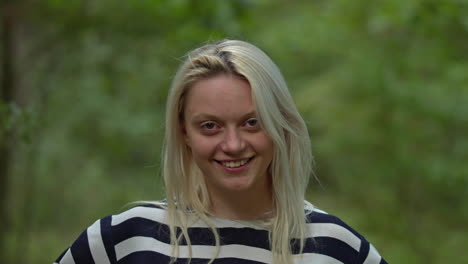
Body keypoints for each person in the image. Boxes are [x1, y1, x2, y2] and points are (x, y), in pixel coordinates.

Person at [54, 40, 388, 264]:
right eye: (210, 126)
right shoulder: (125, 240)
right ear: (184, 133)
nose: (232, 145)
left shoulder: (336, 248)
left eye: (252, 122)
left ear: (281, 126)